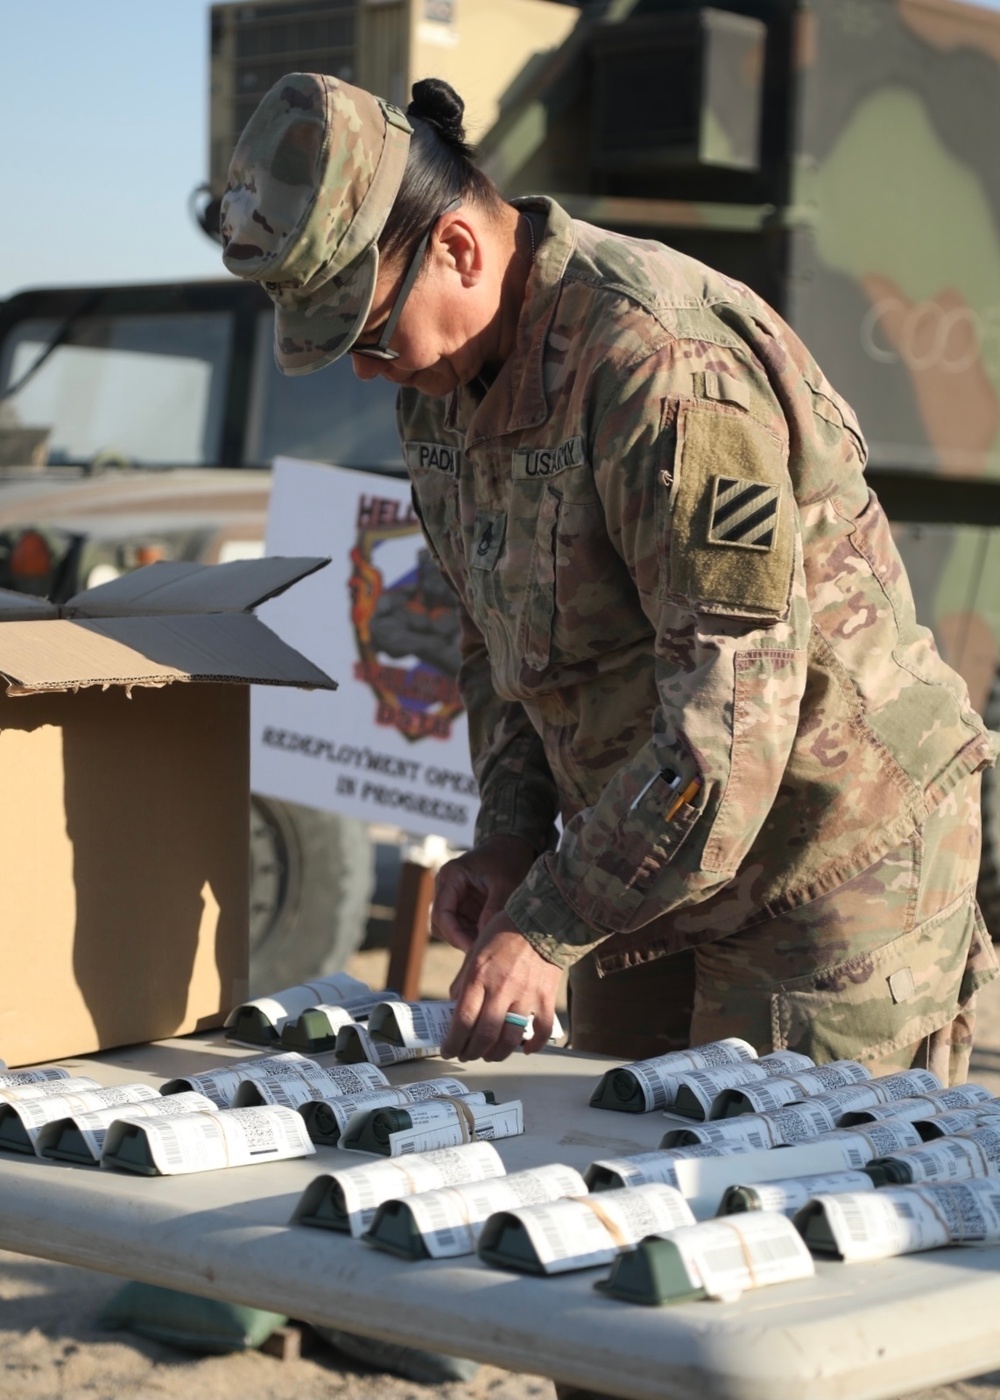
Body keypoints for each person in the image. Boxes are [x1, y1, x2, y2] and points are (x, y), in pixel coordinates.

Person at [221, 71, 998, 1087]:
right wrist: (509, 839)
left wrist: (549, 922)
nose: (368, 373)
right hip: (647, 862)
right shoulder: (442, 387)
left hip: (825, 867)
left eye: (368, 334)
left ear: (456, 247)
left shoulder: (656, 364)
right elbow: (490, 636)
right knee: (605, 1165)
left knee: (777, 1202)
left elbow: (734, 710)